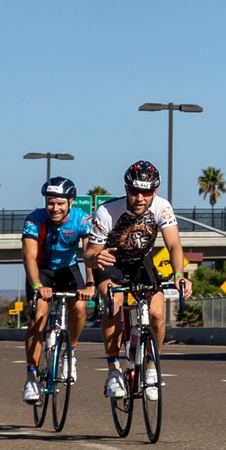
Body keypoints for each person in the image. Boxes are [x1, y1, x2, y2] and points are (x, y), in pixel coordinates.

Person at [84, 161, 191, 401]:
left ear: (155, 191)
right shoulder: (107, 212)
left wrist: (179, 275)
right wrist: (95, 257)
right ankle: (113, 370)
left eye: (146, 192)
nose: (139, 198)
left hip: (142, 261)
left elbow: (174, 245)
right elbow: (88, 256)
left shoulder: (163, 208)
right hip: (111, 262)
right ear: (126, 189)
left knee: (157, 314)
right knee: (115, 302)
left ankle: (152, 367)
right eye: (134, 191)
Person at [20, 176, 92, 402]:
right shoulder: (34, 220)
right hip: (41, 271)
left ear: (70, 202)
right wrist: (38, 285)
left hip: (68, 269)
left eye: (60, 203)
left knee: (80, 307)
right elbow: (29, 257)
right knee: (38, 316)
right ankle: (31, 377)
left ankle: (70, 353)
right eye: (51, 203)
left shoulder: (81, 220)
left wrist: (90, 284)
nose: (55, 208)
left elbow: (90, 254)